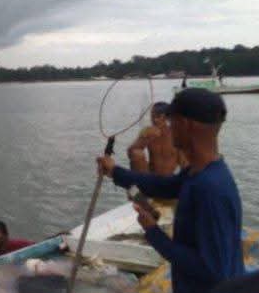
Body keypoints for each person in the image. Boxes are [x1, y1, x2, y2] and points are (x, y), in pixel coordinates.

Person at [97, 88, 244, 293]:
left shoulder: (210, 189)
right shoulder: (199, 172)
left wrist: (153, 232)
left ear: (185, 125)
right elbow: (164, 185)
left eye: (171, 121)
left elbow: (211, 270)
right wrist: (115, 172)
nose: (168, 127)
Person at [127, 102, 185, 176]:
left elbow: (184, 163)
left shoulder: (175, 134)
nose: (155, 120)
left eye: (158, 117)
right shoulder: (148, 132)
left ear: (167, 117)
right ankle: (141, 181)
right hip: (151, 176)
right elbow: (131, 152)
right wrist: (143, 138)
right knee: (136, 153)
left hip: (170, 178)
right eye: (153, 116)